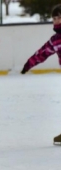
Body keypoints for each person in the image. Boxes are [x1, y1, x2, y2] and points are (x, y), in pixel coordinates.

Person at [21, 4, 61, 145]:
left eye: (59, 18)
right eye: (54, 18)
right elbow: (42, 53)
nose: (56, 21)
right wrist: (29, 64)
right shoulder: (55, 39)